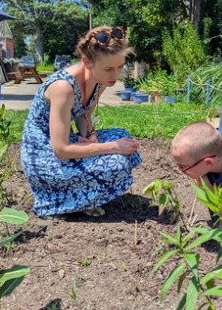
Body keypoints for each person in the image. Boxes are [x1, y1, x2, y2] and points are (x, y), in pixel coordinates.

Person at [21, 25, 142, 220]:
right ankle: (57, 203)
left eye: (120, 66)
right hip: (43, 157)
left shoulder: (100, 79)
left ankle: (83, 198)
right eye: (109, 69)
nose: (116, 75)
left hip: (65, 143)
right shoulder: (62, 87)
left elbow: (83, 113)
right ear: (87, 62)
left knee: (123, 135)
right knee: (117, 160)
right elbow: (60, 150)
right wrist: (110, 147)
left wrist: (87, 136)